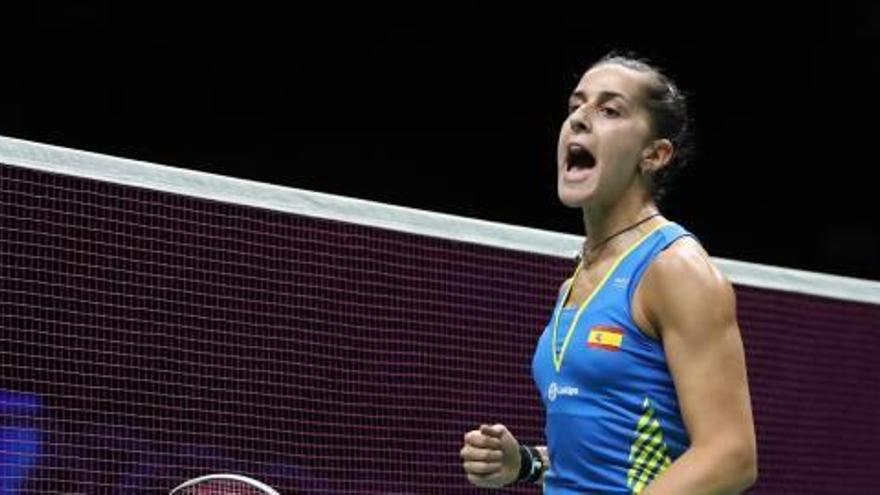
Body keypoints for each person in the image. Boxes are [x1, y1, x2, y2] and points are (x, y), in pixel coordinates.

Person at [459, 52, 757, 494]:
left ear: (654, 155)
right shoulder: (574, 282)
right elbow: (605, 451)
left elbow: (731, 455)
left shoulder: (673, 269)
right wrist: (525, 463)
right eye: (575, 105)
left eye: (609, 109)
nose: (579, 118)